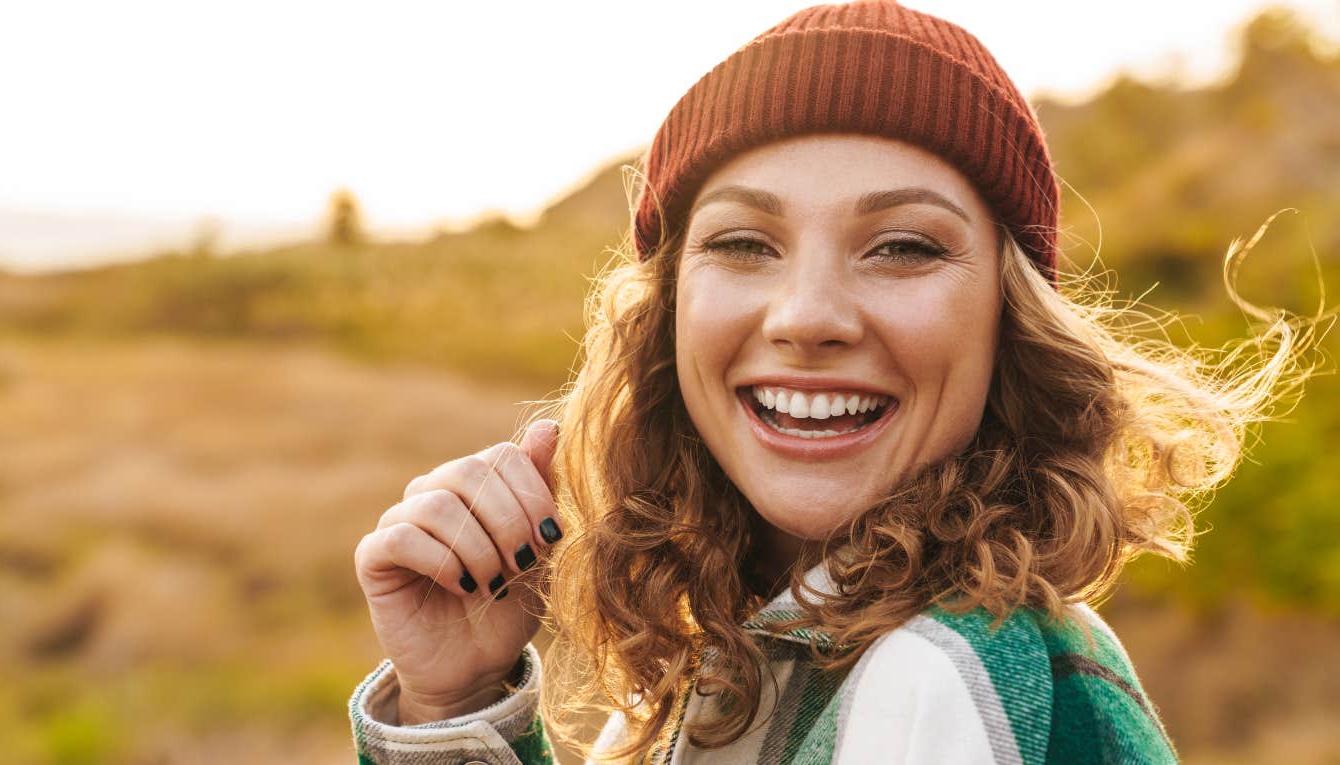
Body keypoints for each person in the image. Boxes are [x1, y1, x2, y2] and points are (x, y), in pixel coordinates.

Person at [348, 2, 1316, 763]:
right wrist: (452, 704)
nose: (807, 315)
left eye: (901, 246)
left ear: (1009, 324)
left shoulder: (944, 675)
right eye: (742, 243)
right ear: (668, 315)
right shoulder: (734, 664)